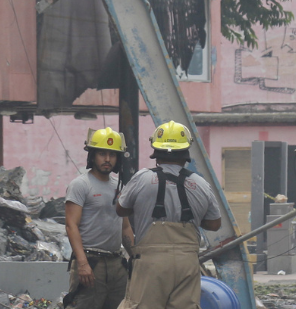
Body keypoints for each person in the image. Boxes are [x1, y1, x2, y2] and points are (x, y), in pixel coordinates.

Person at [115, 121, 222, 309]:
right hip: (186, 263)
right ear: (186, 150)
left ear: (156, 149)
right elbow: (214, 224)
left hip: (150, 264)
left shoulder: (142, 178)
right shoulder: (201, 184)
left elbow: (121, 209)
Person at [64, 127, 134, 309]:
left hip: (116, 264)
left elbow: (125, 226)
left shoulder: (119, 187)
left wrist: (136, 257)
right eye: (102, 154)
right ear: (92, 156)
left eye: (112, 155)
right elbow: (71, 226)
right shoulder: (80, 185)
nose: (107, 159)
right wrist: (82, 263)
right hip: (91, 263)